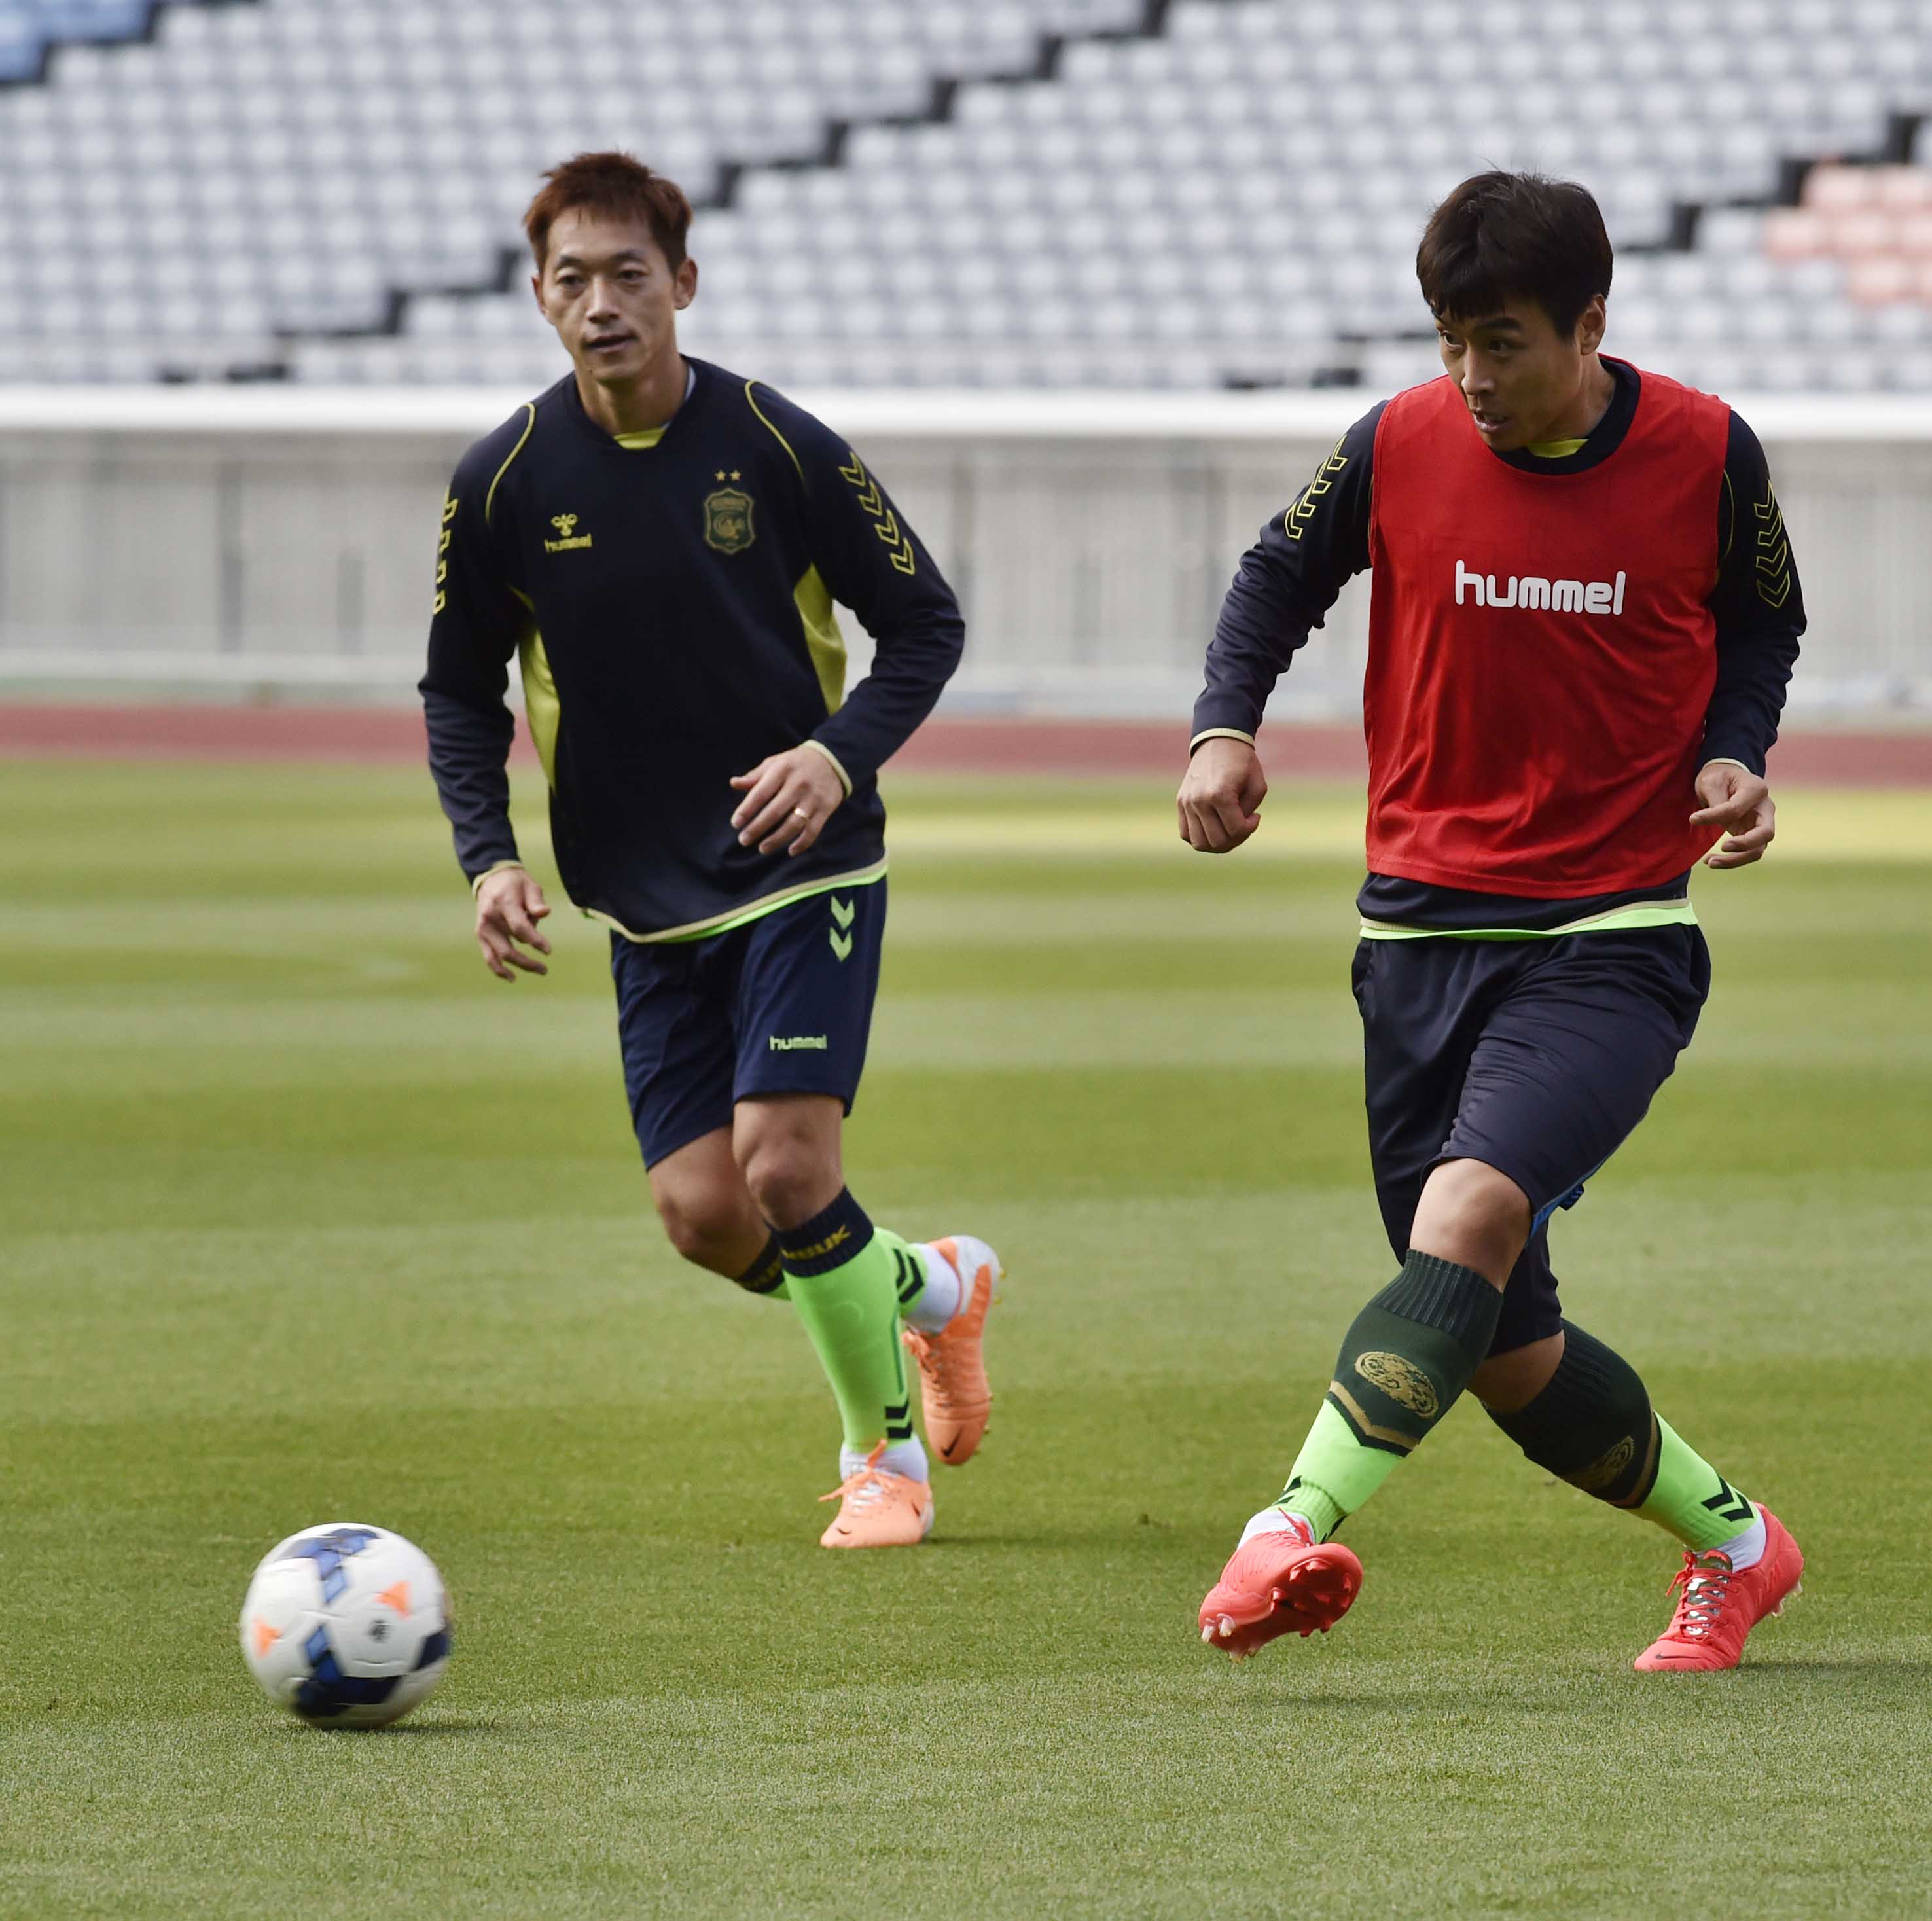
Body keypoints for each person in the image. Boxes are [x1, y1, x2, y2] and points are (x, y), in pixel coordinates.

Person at [1177, 171, 1805, 1671]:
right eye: (1453, 338)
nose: (1471, 377)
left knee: (1464, 1219)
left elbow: (1766, 618)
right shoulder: (1395, 440)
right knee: (1508, 1355)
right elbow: (1276, 576)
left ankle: (1284, 1527)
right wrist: (1222, 728)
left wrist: (1738, 746)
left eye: (1505, 342)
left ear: (1593, 323)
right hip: (1410, 941)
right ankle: (1739, 1543)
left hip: (1610, 936)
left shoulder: (1709, 451)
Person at [420, 151, 1001, 1549]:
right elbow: (459, 687)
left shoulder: (777, 443)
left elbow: (925, 622)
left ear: (683, 281)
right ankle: (929, 1289)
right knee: (701, 1213)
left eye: (631, 273)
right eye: (574, 278)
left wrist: (833, 754)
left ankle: (885, 1459)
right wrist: (487, 856)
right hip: (647, 900)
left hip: (806, 868)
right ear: (543, 297)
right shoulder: (503, 479)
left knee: (787, 1174)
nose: (603, 302)